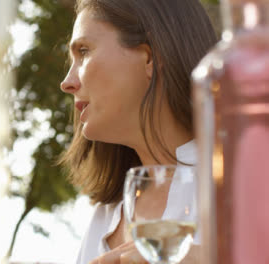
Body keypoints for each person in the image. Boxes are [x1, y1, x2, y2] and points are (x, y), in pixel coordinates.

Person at [59, 0, 217, 263]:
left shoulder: (246, 182)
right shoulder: (104, 216)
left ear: (150, 57)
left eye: (84, 51)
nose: (67, 82)